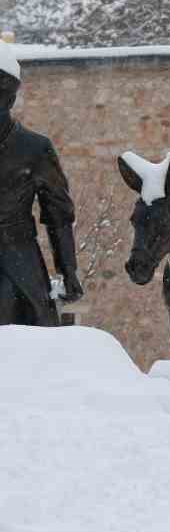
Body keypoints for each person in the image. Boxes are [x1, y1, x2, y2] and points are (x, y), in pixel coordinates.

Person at [0, 46, 81, 326]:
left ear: (9, 98)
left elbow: (58, 214)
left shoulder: (34, 148)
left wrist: (68, 270)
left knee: (28, 330)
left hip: (18, 257)